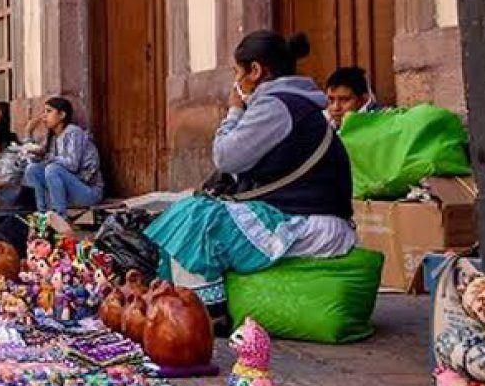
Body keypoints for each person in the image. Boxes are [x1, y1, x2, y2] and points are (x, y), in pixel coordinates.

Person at [144, 31, 355, 334]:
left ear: (255, 71)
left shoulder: (276, 106)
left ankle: (204, 314)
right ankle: (185, 302)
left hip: (312, 223)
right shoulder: (290, 103)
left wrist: (234, 110)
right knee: (188, 210)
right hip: (296, 214)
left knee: (197, 220)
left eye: (238, 72)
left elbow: (226, 157)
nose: (236, 80)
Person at [22, 96, 104, 216]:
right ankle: (41, 213)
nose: (44, 116)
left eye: (49, 111)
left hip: (87, 191)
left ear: (62, 115)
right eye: (44, 112)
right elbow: (32, 159)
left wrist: (47, 157)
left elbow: (72, 164)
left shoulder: (73, 132)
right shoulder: (53, 137)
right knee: (32, 169)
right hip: (66, 193)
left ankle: (60, 217)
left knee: (53, 169)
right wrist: (28, 134)